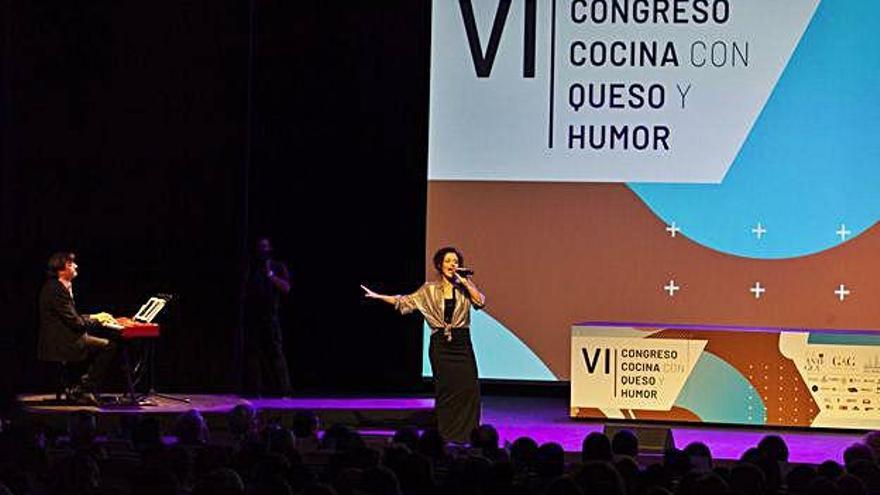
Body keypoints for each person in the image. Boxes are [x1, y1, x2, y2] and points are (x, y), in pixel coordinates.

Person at [362, 246, 485, 443]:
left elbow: (480, 302)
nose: (452, 265)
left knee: (469, 388)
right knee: (446, 390)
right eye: (447, 261)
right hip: (441, 346)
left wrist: (466, 282)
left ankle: (468, 434)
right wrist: (379, 296)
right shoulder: (429, 289)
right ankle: (447, 434)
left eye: (455, 262)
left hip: (462, 344)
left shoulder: (465, 287)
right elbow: (404, 302)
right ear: (439, 265)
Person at [37, 252, 117, 405]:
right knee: (109, 346)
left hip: (65, 337)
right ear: (61, 269)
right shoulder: (55, 289)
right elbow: (77, 323)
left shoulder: (59, 286)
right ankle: (84, 388)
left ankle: (79, 387)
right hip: (62, 342)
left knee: (101, 343)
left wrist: (95, 316)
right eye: (70, 264)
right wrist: (96, 319)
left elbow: (73, 317)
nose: (75, 266)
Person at [241, 237, 292, 396]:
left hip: (271, 317)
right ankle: (255, 391)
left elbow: (286, 288)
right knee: (253, 354)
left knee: (276, 353)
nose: (262, 250)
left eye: (264, 247)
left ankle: (284, 391)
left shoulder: (277, 266)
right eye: (259, 247)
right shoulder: (251, 267)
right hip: (253, 317)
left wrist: (271, 276)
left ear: (269, 248)